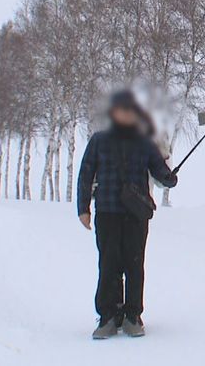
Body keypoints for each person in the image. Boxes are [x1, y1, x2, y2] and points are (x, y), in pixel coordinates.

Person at [77, 90, 179, 340]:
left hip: (136, 214)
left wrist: (169, 177)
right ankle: (108, 317)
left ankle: (133, 316)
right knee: (109, 264)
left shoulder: (144, 142)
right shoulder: (99, 140)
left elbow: (159, 170)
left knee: (134, 265)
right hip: (108, 212)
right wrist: (83, 208)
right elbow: (86, 173)